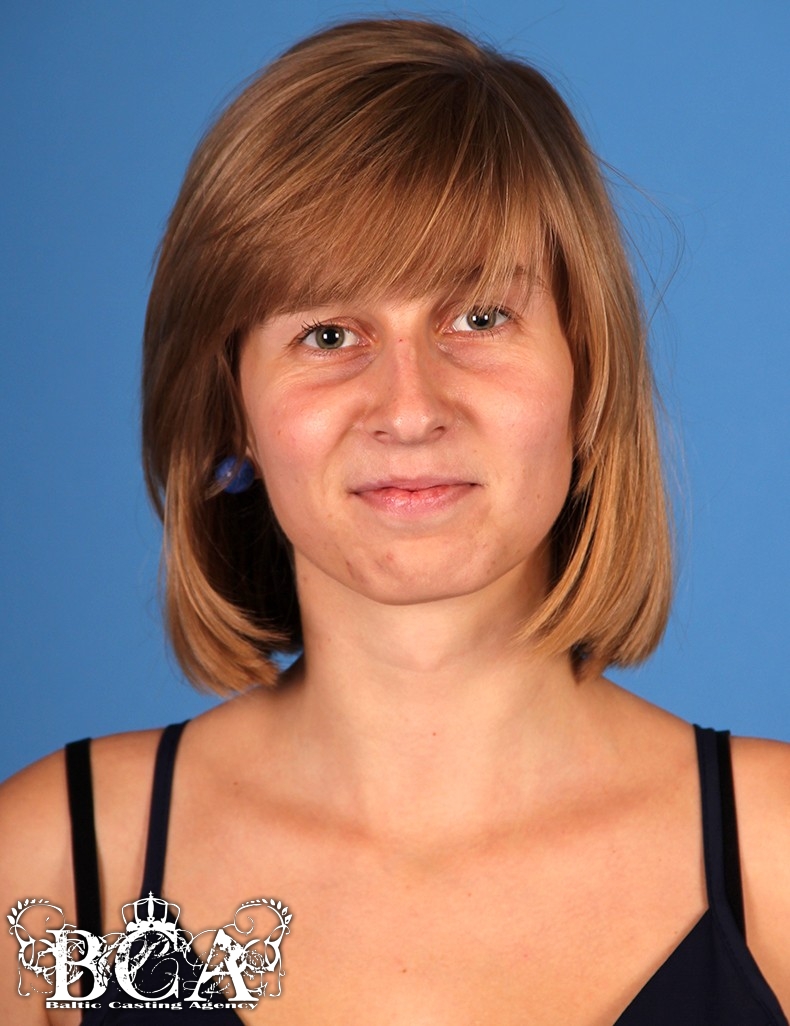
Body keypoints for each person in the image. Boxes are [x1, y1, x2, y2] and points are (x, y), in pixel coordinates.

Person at [2, 16, 789, 1024]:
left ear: (588, 376)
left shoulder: (775, 855)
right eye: (330, 334)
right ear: (230, 406)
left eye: (479, 317)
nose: (410, 409)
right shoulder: (56, 872)